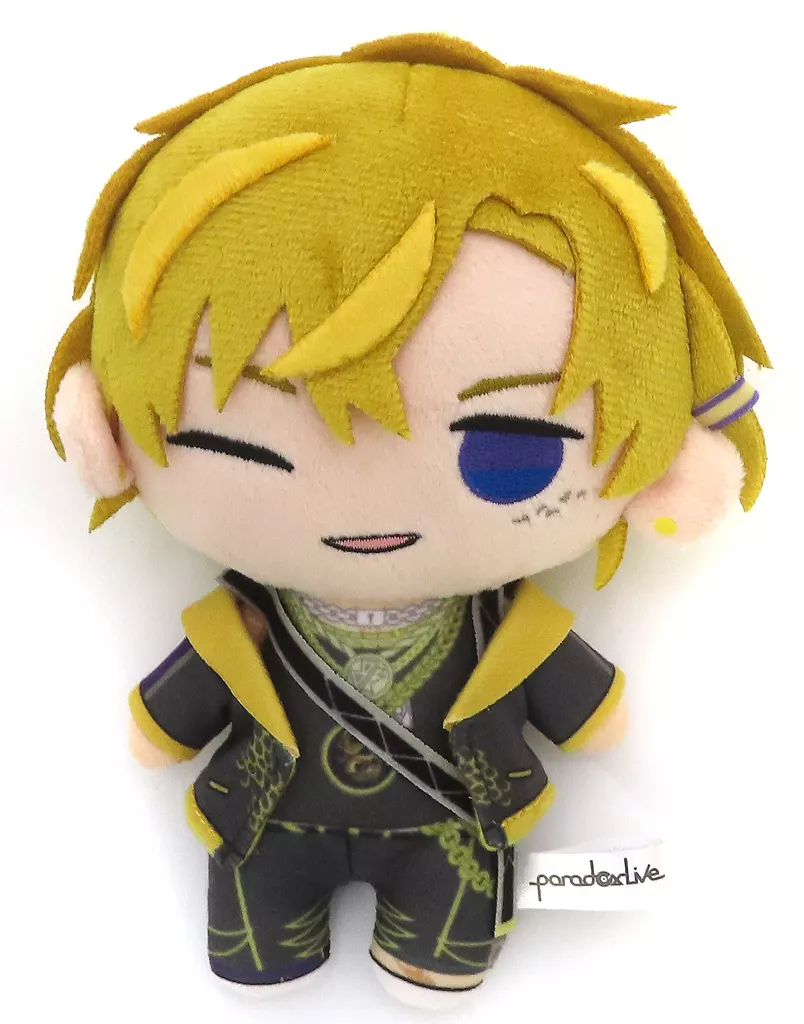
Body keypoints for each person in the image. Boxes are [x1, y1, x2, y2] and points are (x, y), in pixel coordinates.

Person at [45, 32, 768, 1007]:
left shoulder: (510, 631)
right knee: (254, 953)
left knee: (444, 951)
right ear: (103, 431)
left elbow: (596, 717)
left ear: (670, 472)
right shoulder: (244, 625)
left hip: (453, 836)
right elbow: (161, 723)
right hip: (266, 829)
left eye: (507, 448)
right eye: (244, 449)